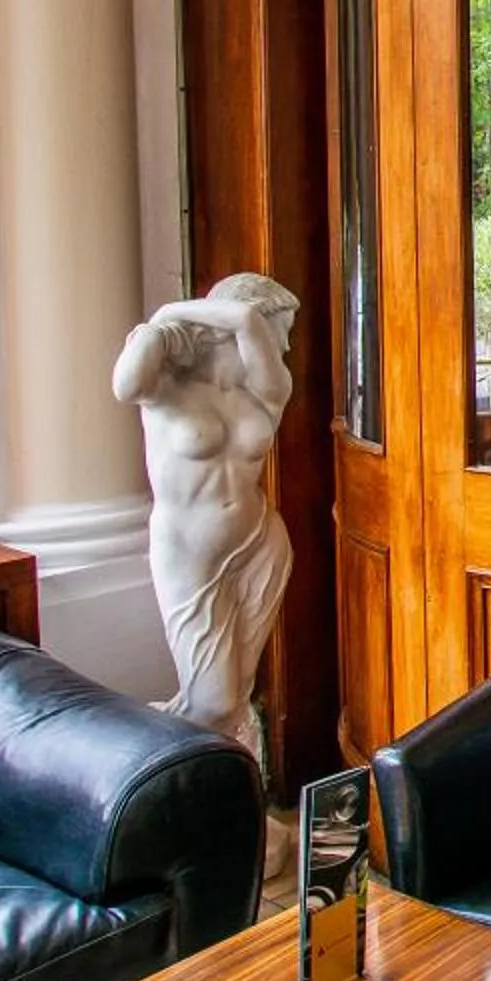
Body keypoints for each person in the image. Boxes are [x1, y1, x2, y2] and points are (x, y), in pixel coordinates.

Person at [113, 272, 300, 749]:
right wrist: (163, 321)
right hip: (187, 553)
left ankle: (235, 811)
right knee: (211, 701)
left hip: (260, 542)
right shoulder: (165, 385)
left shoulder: (265, 390)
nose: (283, 343)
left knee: (236, 694)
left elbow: (245, 323)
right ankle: (168, 771)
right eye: (279, 328)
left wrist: (183, 313)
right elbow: (123, 385)